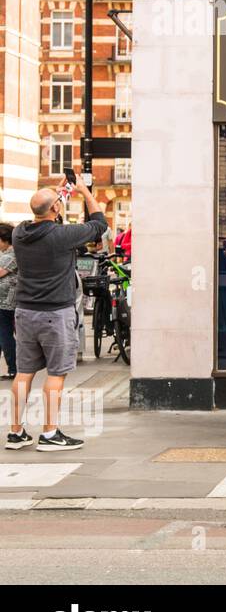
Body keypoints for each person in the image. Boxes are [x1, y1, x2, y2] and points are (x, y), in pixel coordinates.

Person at [6, 180, 108, 451]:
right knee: (56, 373)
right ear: (56, 208)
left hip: (25, 311)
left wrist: (58, 194)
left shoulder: (19, 233)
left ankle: (16, 433)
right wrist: (85, 192)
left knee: (24, 373)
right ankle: (50, 434)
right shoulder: (61, 236)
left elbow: (44, 212)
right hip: (55, 313)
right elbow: (99, 223)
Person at [0, 224, 18, 380]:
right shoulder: (8, 253)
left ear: (4, 240)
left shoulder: (10, 255)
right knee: (3, 333)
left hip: (5, 301)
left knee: (5, 334)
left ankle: (13, 368)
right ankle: (13, 367)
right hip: (6, 299)